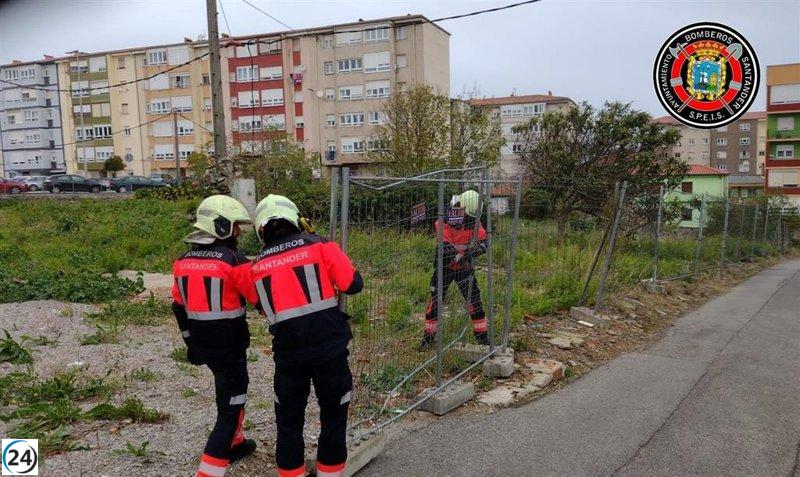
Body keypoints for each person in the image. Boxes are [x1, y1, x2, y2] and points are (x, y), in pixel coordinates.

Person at [244, 194, 362, 477]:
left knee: (288, 421)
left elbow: (261, 306)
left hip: (288, 354)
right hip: (329, 349)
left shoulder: (255, 267)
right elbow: (354, 285)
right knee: (334, 416)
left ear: (261, 229)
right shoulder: (321, 246)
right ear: (297, 219)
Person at [171, 195, 257, 477]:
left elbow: (178, 307)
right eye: (236, 226)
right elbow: (257, 298)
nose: (239, 232)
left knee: (227, 392)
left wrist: (189, 342)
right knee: (232, 405)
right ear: (221, 226)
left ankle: (236, 442)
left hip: (202, 345)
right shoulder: (234, 261)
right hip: (231, 346)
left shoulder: (182, 262)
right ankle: (209, 469)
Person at [421, 189, 489, 348]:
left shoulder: (473, 221)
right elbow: (445, 246)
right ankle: (427, 339)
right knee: (435, 303)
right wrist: (459, 256)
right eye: (469, 216)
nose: (471, 220)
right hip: (444, 268)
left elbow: (484, 240)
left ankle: (483, 340)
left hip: (464, 268)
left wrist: (478, 249)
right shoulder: (445, 220)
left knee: (475, 303)